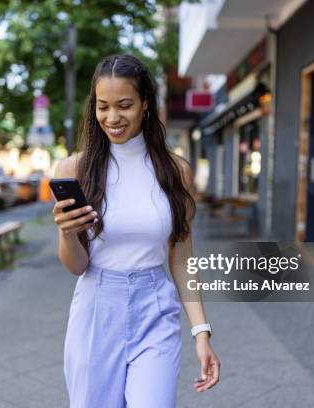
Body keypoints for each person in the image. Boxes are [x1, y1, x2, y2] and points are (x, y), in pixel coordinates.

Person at [53, 54, 220, 408]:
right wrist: (67, 233)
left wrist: (201, 332)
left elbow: (182, 258)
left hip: (155, 307)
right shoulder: (74, 168)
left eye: (124, 105)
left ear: (145, 105)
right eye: (103, 106)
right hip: (97, 309)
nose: (112, 118)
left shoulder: (176, 171)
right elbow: (76, 266)